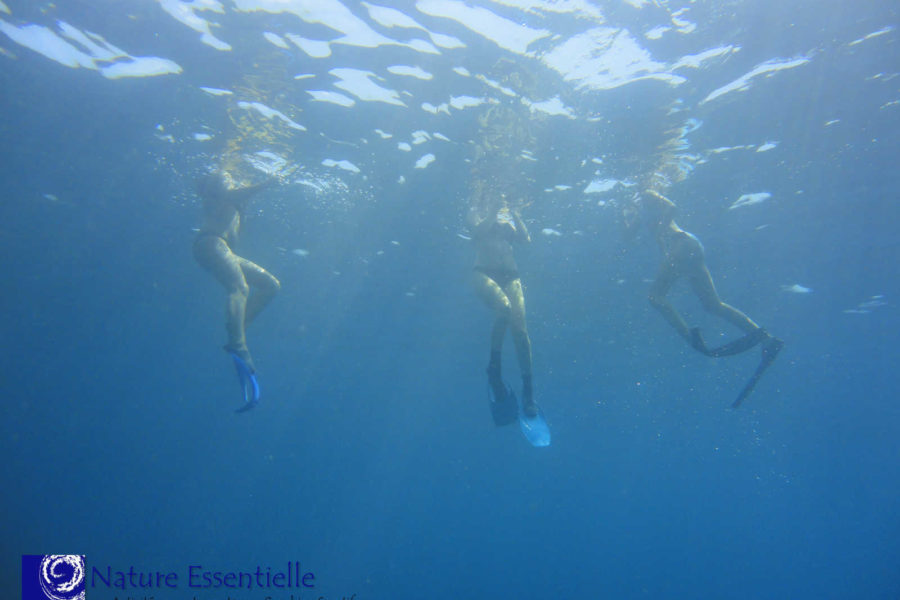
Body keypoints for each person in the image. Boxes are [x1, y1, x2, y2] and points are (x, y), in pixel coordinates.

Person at [641, 189, 783, 406]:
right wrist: (626, 217)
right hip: (688, 244)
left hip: (680, 245)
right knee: (712, 304)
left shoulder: (645, 192)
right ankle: (767, 340)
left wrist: (660, 230)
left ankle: (691, 340)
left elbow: (672, 207)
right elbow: (629, 236)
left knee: (655, 296)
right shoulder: (634, 207)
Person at [193, 171, 280, 411]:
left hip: (223, 249)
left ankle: (239, 329)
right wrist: (266, 183)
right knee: (239, 287)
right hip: (211, 242)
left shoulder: (233, 195)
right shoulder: (220, 184)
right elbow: (231, 193)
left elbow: (237, 196)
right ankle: (238, 344)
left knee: (270, 285)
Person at [470, 203, 538, 421]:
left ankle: (528, 390)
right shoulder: (475, 210)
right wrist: (492, 210)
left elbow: (526, 239)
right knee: (504, 308)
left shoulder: (507, 216)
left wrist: (515, 214)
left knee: (521, 332)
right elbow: (477, 232)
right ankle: (494, 367)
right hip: (483, 273)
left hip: (511, 275)